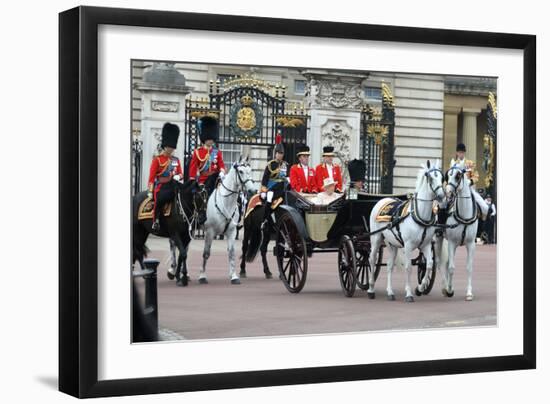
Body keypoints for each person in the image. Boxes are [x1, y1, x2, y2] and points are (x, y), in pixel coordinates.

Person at [188, 116, 226, 225]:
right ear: (204, 138)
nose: (211, 141)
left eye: (212, 139)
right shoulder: (198, 152)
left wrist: (223, 171)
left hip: (215, 179)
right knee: (201, 196)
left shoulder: (217, 152)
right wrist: (192, 181)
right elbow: (193, 168)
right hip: (203, 179)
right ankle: (201, 215)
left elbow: (221, 165)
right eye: (209, 139)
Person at [147, 122, 183, 231]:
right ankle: (156, 221)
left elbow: (181, 173)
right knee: (161, 199)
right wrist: (150, 191)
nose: (171, 149)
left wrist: (178, 177)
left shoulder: (176, 160)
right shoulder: (157, 159)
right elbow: (152, 177)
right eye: (169, 147)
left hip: (174, 185)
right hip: (161, 186)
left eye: (172, 147)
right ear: (164, 146)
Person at [449, 143, 488, 220]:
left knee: (485, 207)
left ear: (464, 153)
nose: (461, 154)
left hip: (469, 189)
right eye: (459, 152)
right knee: (443, 206)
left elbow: (476, 176)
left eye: (462, 152)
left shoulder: (470, 163)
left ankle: (481, 228)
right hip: (456, 190)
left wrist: (470, 181)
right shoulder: (453, 164)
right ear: (457, 153)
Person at [259, 135, 288, 223]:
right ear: (275, 153)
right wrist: (264, 191)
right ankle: (265, 218)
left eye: (281, 153)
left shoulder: (285, 164)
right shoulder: (270, 164)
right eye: (279, 153)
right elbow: (265, 179)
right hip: (272, 187)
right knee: (269, 198)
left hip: (282, 187)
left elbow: (286, 177)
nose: (280, 155)